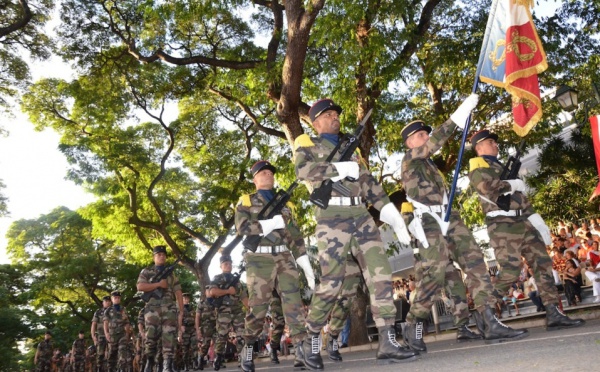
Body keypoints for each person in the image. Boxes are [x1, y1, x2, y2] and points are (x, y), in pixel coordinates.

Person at [294, 98, 418, 369]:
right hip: (331, 218)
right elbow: (302, 171)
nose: (334, 117)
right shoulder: (309, 145)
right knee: (332, 282)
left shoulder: (352, 150)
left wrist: (391, 213)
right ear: (315, 123)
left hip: (361, 216)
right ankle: (312, 340)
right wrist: (336, 169)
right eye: (327, 115)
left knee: (381, 274)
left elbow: (370, 185)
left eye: (336, 113)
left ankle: (387, 341)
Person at [400, 95, 530, 352]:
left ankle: (488, 320)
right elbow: (433, 144)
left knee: (475, 264)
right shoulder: (410, 160)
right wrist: (458, 117)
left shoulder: (431, 166)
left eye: (427, 134)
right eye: (421, 135)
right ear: (409, 142)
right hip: (428, 220)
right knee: (436, 274)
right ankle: (413, 322)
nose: (426, 137)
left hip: (451, 217)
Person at [468, 129, 585, 330]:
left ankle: (554, 312)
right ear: (479, 148)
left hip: (523, 222)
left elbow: (519, 197)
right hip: (502, 226)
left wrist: (536, 218)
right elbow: (486, 188)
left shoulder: (499, 165)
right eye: (490, 142)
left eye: (495, 142)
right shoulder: (478, 166)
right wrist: (511, 184)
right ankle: (484, 310)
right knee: (511, 271)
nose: (496, 145)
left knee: (543, 265)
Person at [234, 159, 316, 371]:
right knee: (258, 308)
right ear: (254, 179)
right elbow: (242, 228)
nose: (267, 175)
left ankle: (301, 350)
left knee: (294, 304)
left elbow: (295, 236)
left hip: (284, 257)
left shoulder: (286, 204)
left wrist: (305, 263)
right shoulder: (245, 201)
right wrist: (270, 223)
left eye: (270, 172)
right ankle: (249, 348)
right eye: (262, 173)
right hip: (258, 260)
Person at [137, 245, 184, 372]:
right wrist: (158, 284)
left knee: (169, 337)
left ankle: (167, 365)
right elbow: (140, 286)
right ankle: (150, 360)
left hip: (169, 310)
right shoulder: (146, 271)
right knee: (150, 338)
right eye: (159, 255)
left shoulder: (171, 274)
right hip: (152, 310)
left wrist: (181, 311)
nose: (162, 256)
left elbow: (178, 292)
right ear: (154, 257)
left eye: (163, 255)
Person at [207, 254, 247, 371]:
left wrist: (251, 309)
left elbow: (244, 297)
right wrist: (228, 291)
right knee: (222, 337)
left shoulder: (237, 282)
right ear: (221, 266)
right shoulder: (217, 278)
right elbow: (213, 292)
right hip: (223, 312)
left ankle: (245, 359)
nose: (228, 266)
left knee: (242, 336)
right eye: (225, 264)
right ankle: (218, 358)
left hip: (237, 311)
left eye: (230, 263)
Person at [103, 291, 130, 371]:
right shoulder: (108, 311)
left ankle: (122, 369)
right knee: (112, 355)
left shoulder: (123, 309)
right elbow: (105, 323)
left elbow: (127, 322)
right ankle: (111, 369)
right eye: (115, 298)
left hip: (122, 335)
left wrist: (127, 334)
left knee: (122, 354)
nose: (117, 299)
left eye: (118, 298)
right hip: (112, 336)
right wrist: (106, 333)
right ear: (112, 299)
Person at [195, 285, 217, 370]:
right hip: (206, 328)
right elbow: (197, 317)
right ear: (205, 292)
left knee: (218, 344)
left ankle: (217, 361)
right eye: (207, 290)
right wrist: (197, 329)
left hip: (216, 326)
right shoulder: (201, 303)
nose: (209, 292)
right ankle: (200, 361)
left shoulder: (217, 302)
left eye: (210, 290)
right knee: (205, 345)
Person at [91, 295, 112, 372]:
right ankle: (99, 369)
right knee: (100, 354)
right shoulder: (98, 312)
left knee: (111, 354)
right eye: (106, 301)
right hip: (101, 336)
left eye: (109, 301)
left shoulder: (113, 311)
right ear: (103, 303)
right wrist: (93, 336)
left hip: (111, 335)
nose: (108, 303)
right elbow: (93, 324)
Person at [180, 293, 196, 371]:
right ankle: (186, 364)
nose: (186, 300)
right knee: (185, 349)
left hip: (192, 329)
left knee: (194, 347)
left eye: (187, 298)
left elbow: (195, 317)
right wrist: (180, 327)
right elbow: (177, 319)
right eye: (184, 298)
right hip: (185, 330)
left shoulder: (191, 307)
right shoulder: (180, 308)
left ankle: (194, 363)